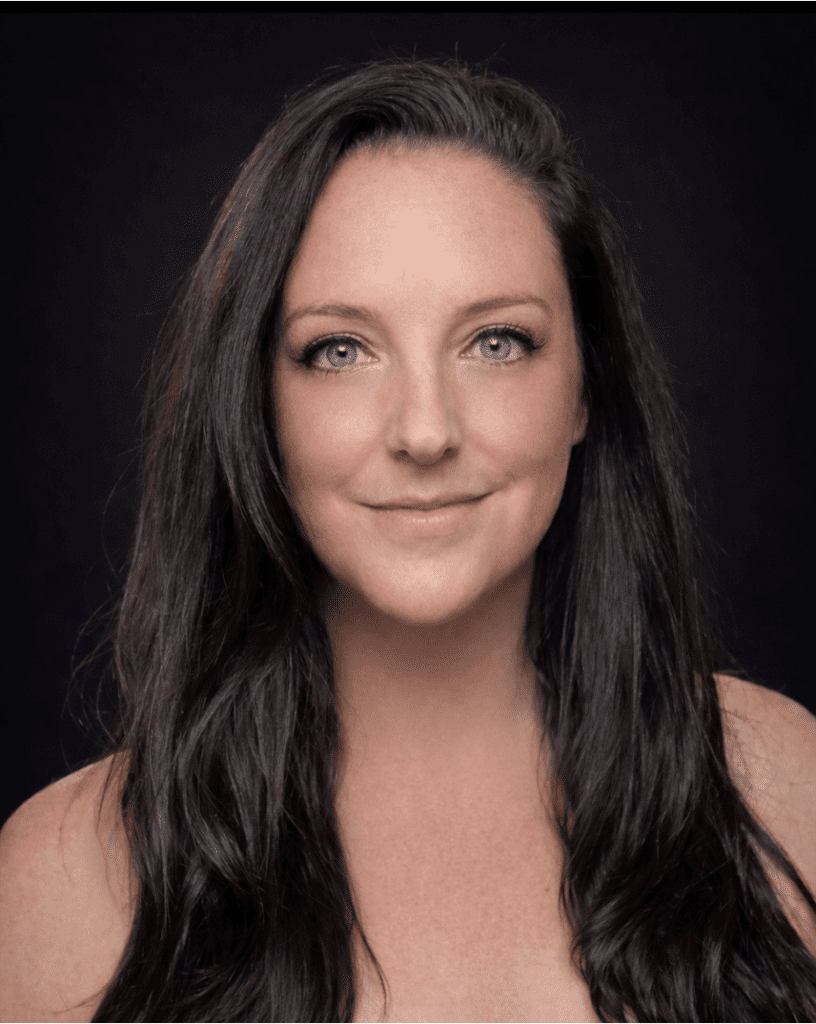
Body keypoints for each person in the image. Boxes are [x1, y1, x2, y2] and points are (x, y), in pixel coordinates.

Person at [1, 52, 815, 1024]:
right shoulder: (52, 884)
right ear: (259, 405)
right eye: (339, 350)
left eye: (496, 341)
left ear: (587, 387)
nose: (424, 431)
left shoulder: (787, 787)